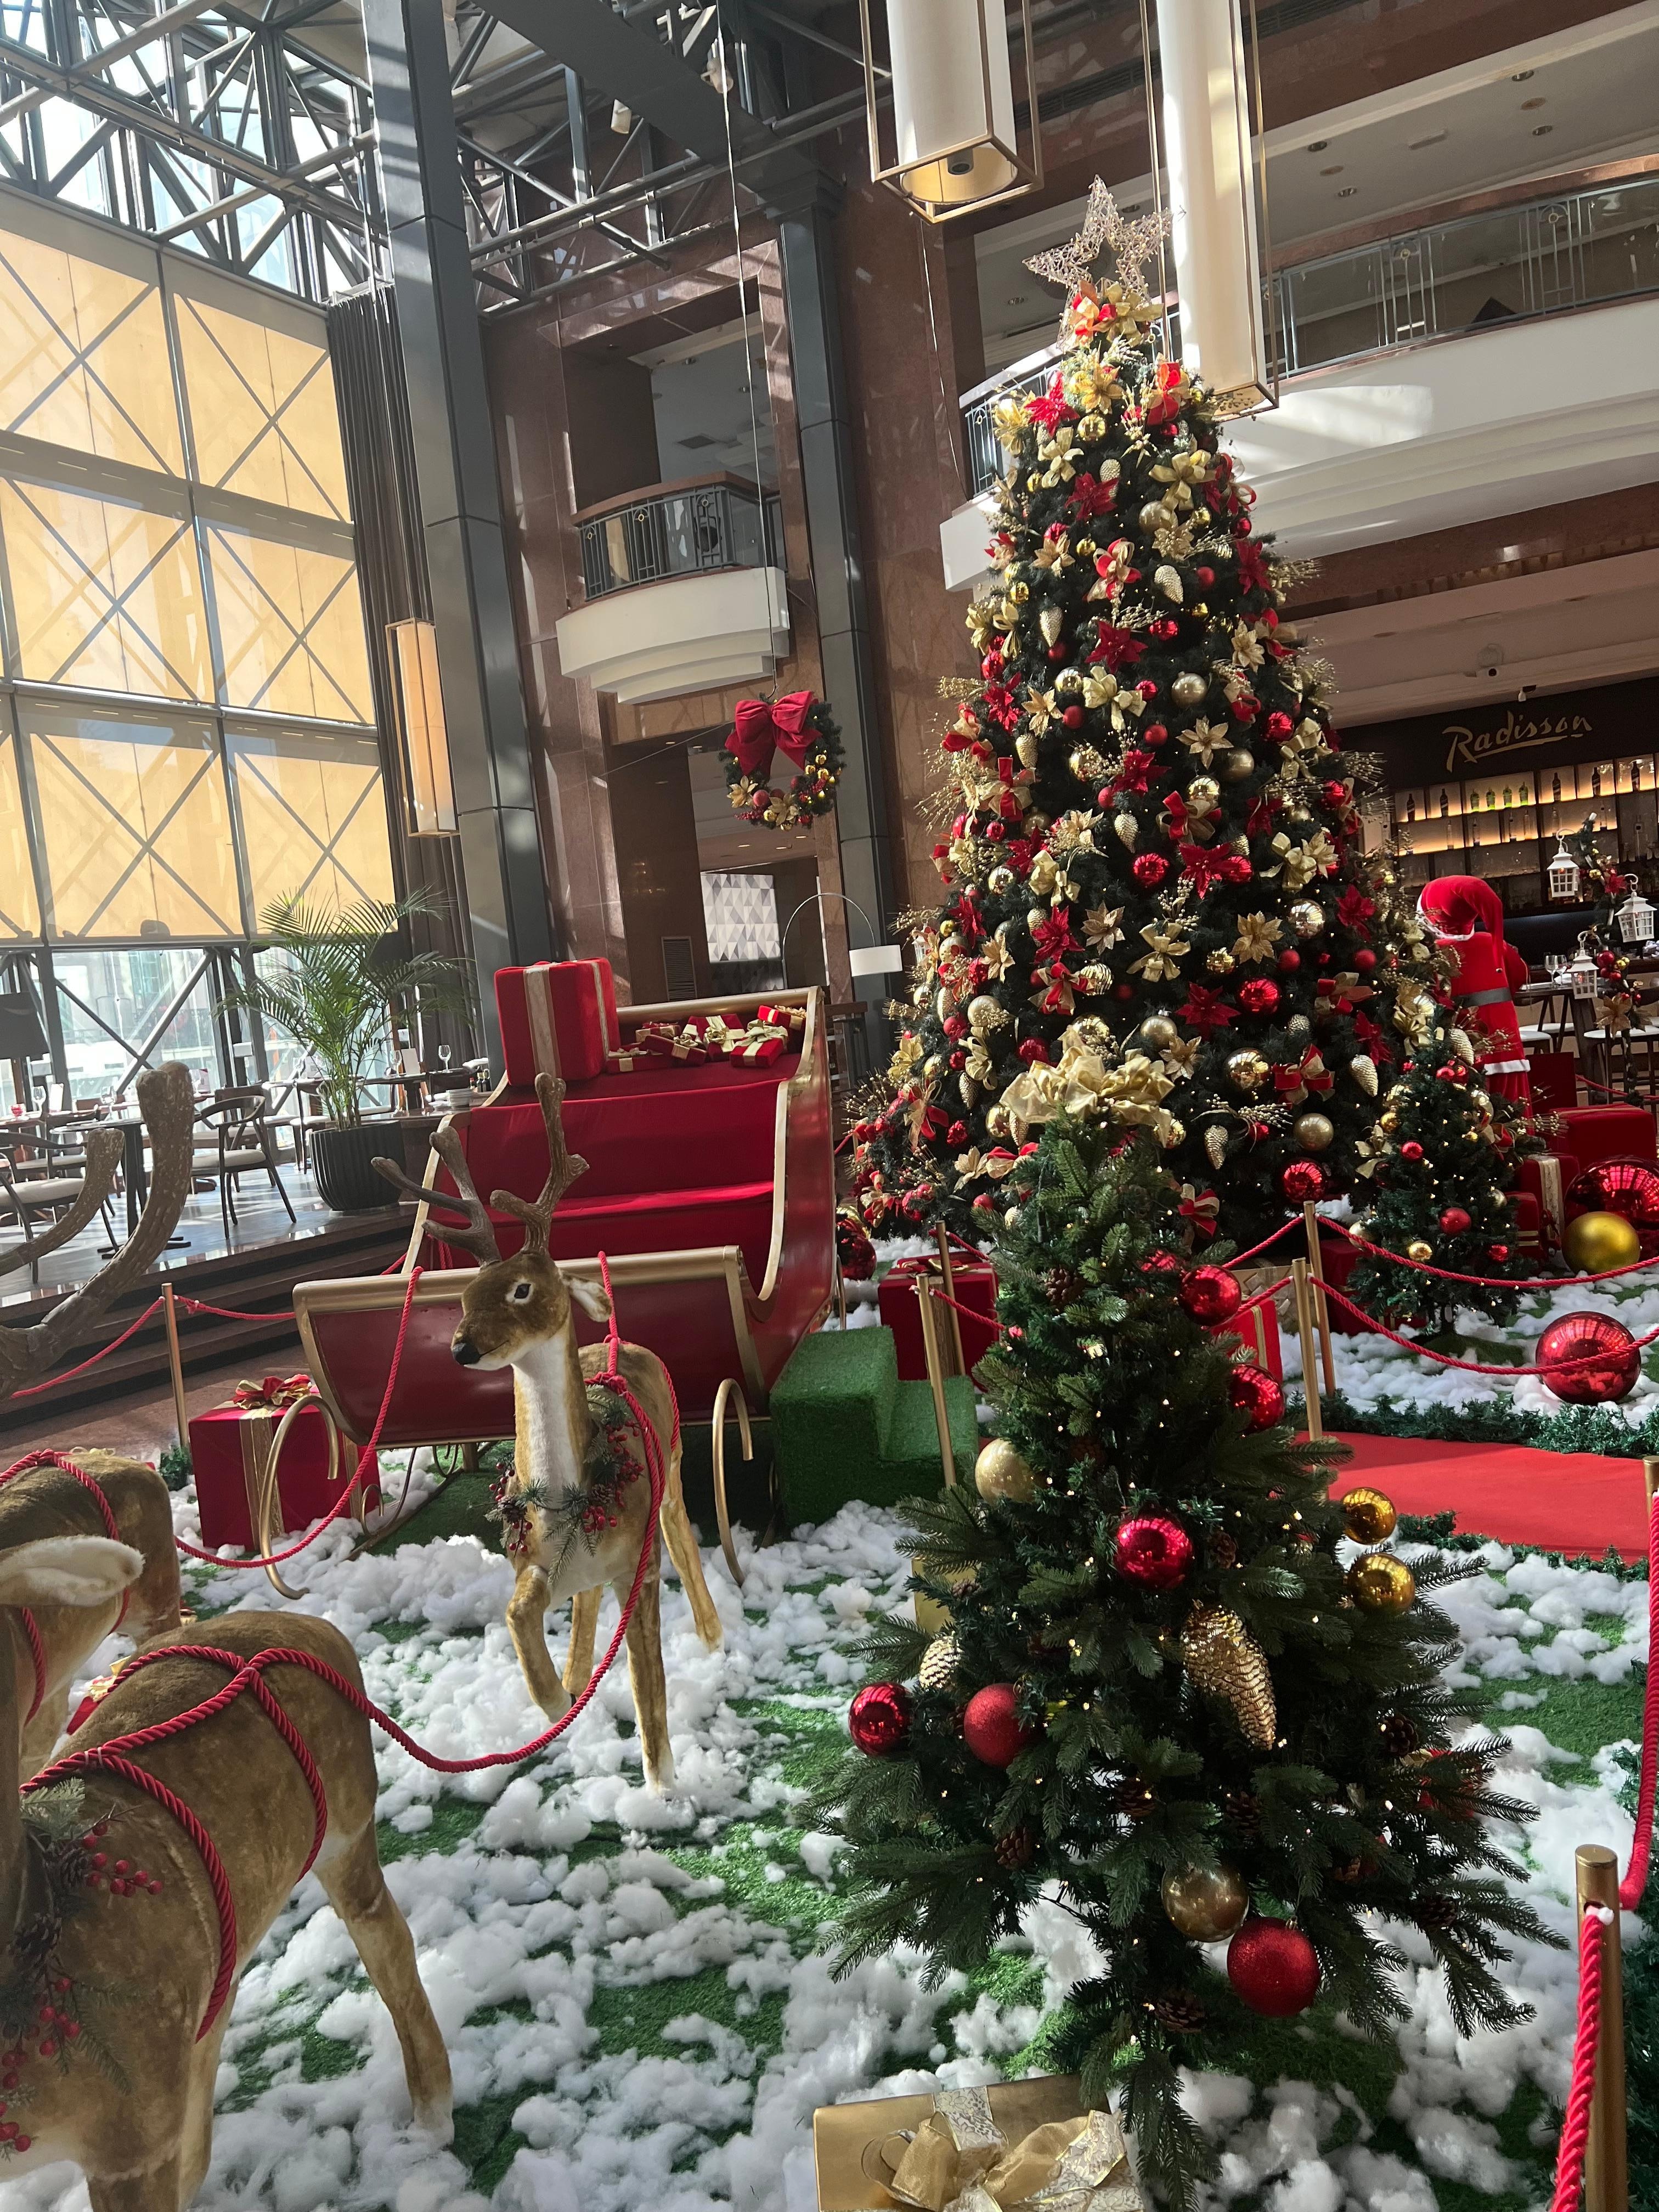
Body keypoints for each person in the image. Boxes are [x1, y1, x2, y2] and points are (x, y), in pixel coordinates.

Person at [1417, 875, 1531, 1107]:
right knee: (1515, 1115)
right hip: (1509, 1049)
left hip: (1466, 1057)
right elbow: (1520, 975)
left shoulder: (1430, 957)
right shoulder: (1491, 942)